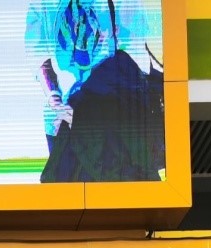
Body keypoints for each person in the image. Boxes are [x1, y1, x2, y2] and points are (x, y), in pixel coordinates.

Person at [25, 0, 165, 182]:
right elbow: (38, 54)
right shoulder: (42, 3)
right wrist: (55, 100)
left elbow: (132, 61)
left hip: (110, 123)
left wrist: (83, 114)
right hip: (62, 121)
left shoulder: (126, 4)